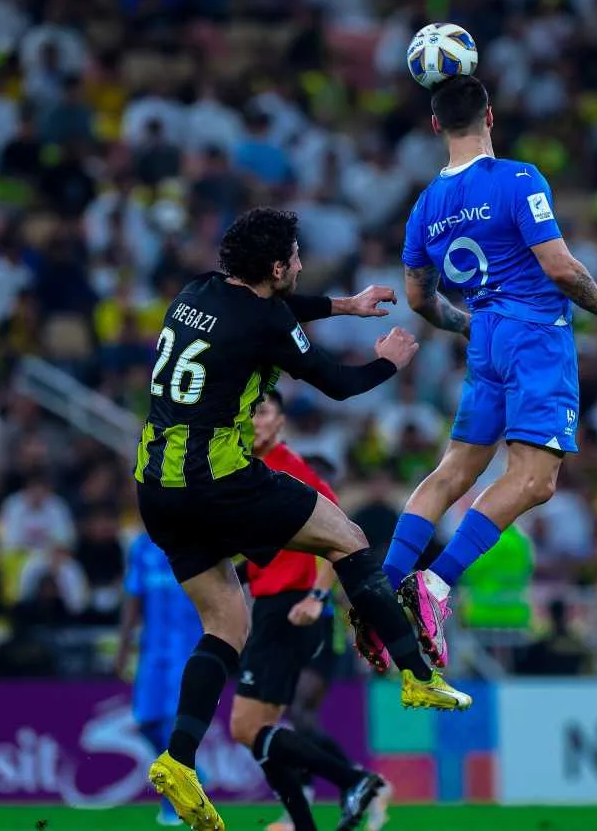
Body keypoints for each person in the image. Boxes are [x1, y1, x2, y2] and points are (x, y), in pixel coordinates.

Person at [135, 206, 471, 831]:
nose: (297, 263)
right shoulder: (263, 319)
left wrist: (343, 305)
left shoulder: (195, 293)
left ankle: (178, 760)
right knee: (348, 537)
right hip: (219, 479)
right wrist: (391, 362)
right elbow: (336, 384)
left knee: (224, 625)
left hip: (155, 485)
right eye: (291, 256)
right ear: (273, 267)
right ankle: (417, 674)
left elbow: (277, 311)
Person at [358, 74, 597, 671]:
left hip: (487, 334)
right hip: (536, 337)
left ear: (436, 125)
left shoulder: (424, 207)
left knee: (454, 470)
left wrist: (468, 325)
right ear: (489, 115)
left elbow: (420, 301)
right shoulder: (518, 179)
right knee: (537, 480)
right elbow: (561, 269)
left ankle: (379, 589)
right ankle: (434, 584)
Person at [230, 393, 391, 831]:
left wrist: (316, 597)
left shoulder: (292, 471)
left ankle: (355, 780)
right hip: (277, 605)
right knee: (266, 732)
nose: (253, 421)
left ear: (280, 422)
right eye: (248, 412)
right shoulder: (257, 472)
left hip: (290, 608)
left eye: (262, 412)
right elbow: (271, 554)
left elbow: (339, 541)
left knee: (249, 727)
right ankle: (306, 821)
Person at [116, 531, 203, 827]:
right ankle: (196, 774)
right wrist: (124, 645)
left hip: (187, 647)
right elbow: (133, 597)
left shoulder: (195, 539)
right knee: (146, 722)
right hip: (152, 651)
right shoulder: (141, 547)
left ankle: (174, 803)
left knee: (169, 725)